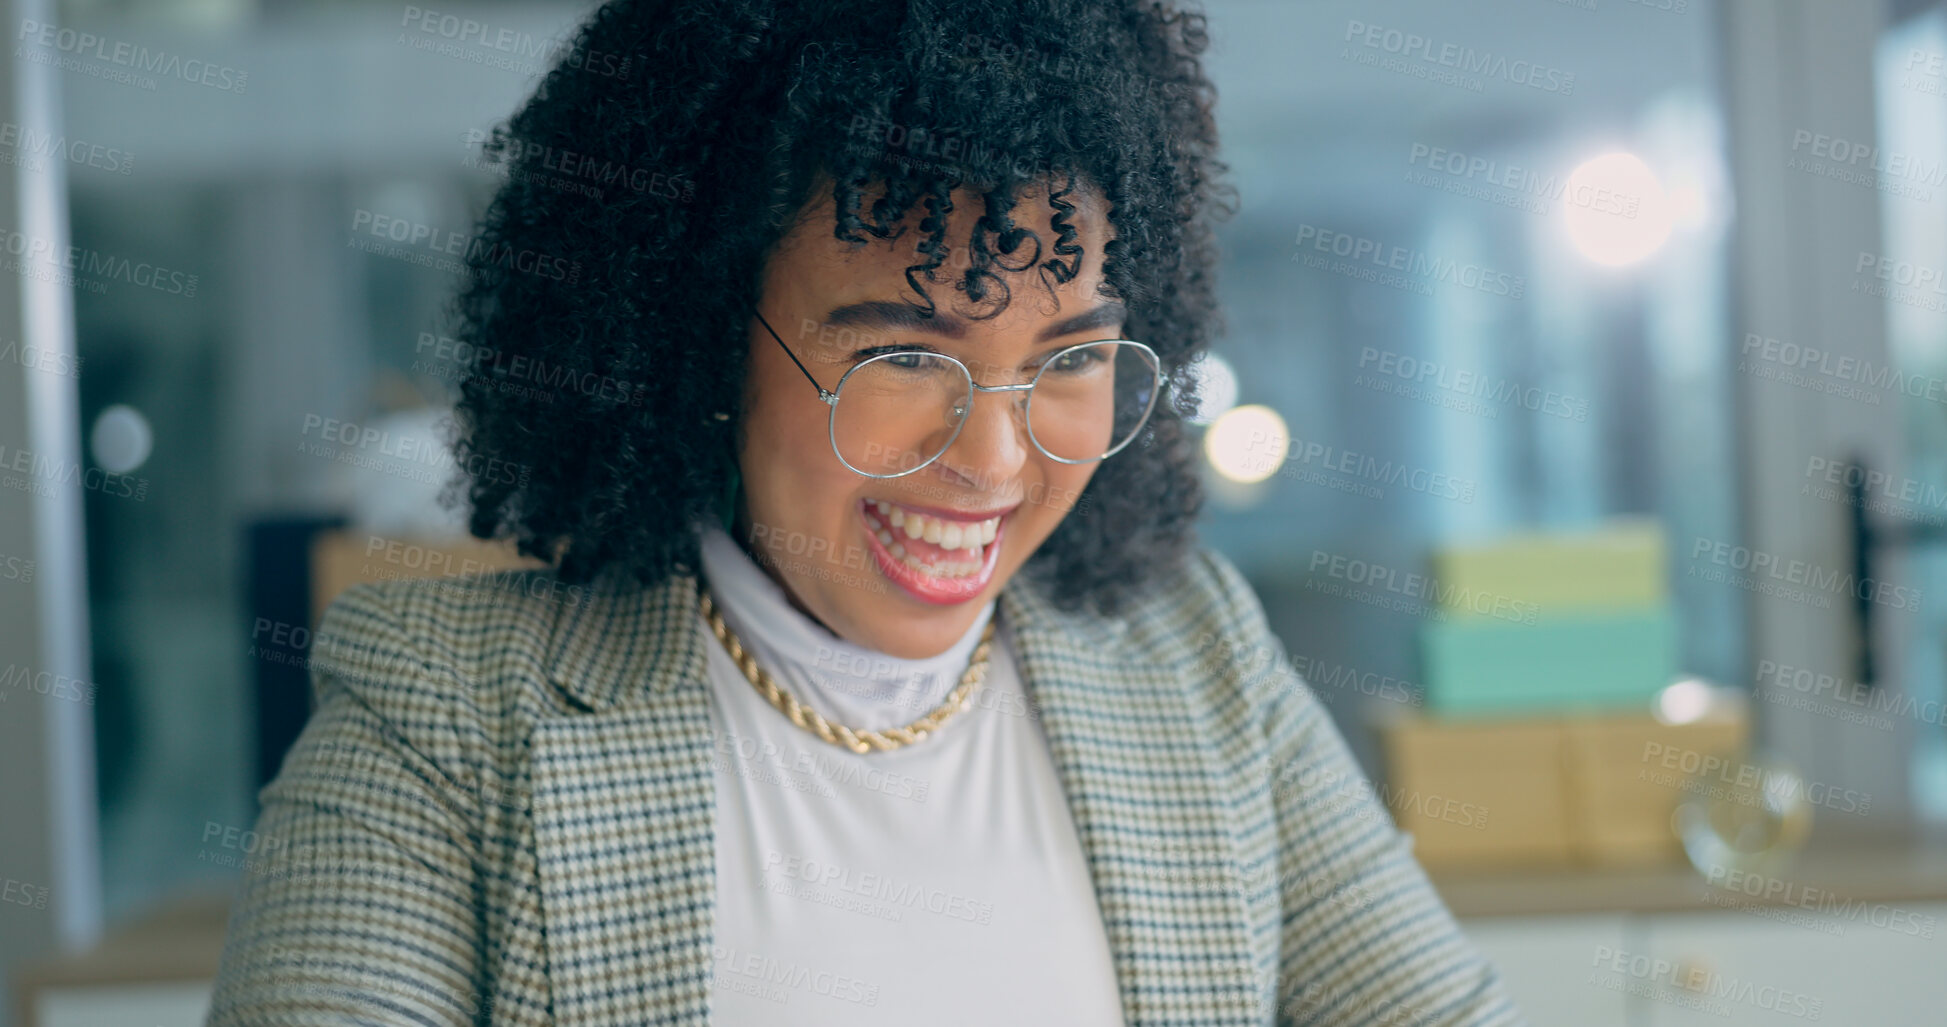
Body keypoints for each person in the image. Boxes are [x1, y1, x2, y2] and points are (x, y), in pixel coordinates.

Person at [207, 1, 1527, 1023]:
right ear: (700, 342)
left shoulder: (1195, 658)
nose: (994, 459)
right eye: (905, 358)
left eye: (1068, 358)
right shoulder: (447, 717)